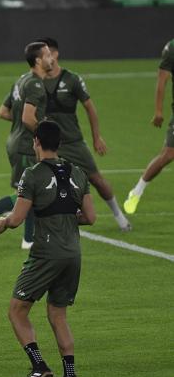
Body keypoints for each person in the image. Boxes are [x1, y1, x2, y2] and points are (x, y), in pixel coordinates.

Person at [0, 120, 96, 377]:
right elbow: (90, 217)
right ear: (59, 143)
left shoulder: (32, 174)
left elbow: (17, 219)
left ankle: (39, 365)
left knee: (17, 309)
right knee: (57, 314)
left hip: (47, 253)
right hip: (73, 252)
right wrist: (64, 216)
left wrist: (2, 221)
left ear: (35, 141)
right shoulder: (78, 172)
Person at [0, 42, 54, 249]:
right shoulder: (35, 85)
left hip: (15, 141)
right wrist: (45, 135)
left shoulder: (21, 80)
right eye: (48, 55)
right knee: (27, 192)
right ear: (39, 60)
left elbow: (3, 112)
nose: (52, 59)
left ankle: (28, 239)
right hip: (25, 145)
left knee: (30, 191)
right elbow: (27, 118)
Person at [37, 37, 130, 231]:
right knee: (42, 183)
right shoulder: (34, 82)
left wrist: (97, 137)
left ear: (55, 54)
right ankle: (41, 227)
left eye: (47, 54)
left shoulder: (71, 79)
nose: (45, 59)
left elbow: (90, 107)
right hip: (47, 144)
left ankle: (119, 215)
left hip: (73, 142)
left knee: (96, 179)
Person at [124, 38, 174, 214]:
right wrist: (158, 111)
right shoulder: (172, 48)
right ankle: (137, 190)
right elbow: (162, 80)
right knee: (168, 155)